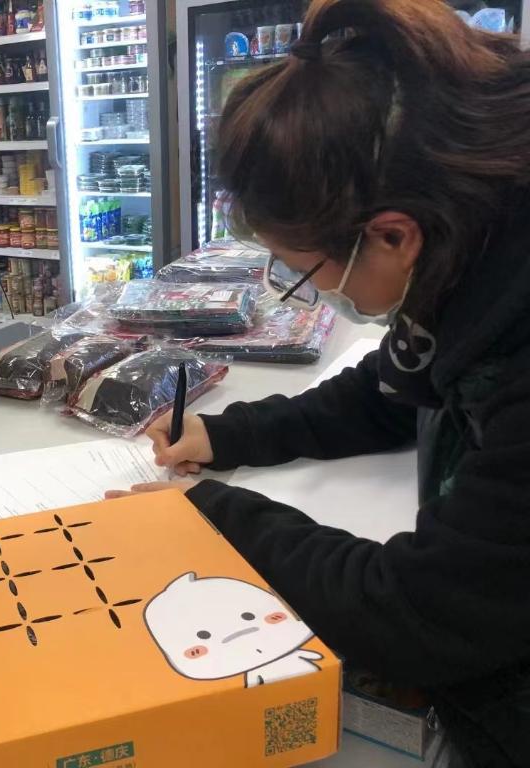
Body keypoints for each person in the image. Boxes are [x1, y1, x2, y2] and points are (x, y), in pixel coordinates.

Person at [110, 0, 530, 765]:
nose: (304, 289)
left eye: (301, 269)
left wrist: (212, 514)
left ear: (393, 236)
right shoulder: (475, 240)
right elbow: (397, 382)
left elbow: (419, 614)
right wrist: (230, 433)